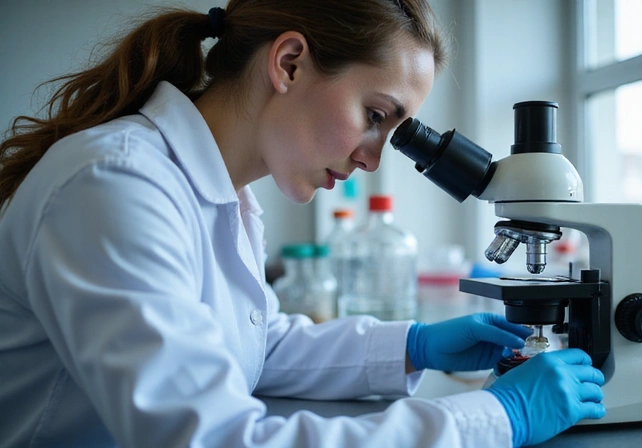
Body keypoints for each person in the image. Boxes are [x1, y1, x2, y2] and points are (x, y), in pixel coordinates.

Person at [0, 1, 606, 447]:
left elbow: (256, 344)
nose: (372, 159)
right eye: (375, 115)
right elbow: (211, 439)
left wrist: (412, 345)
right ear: (289, 64)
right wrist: (497, 419)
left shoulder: (225, 196)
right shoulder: (116, 185)